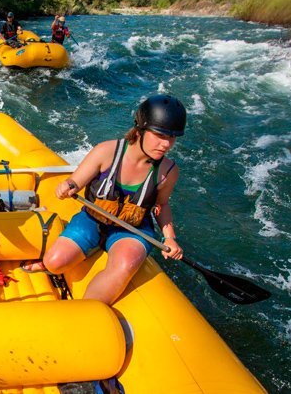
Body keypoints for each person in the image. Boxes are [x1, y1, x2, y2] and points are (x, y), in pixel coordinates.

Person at [22, 95, 186, 305]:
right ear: (140, 130)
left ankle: (85, 312)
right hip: (92, 219)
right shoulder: (106, 152)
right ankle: (82, 251)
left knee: (125, 265)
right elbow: (75, 181)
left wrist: (170, 237)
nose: (166, 144)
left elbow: (161, 205)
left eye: (172, 138)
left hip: (132, 228)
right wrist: (67, 187)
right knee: (54, 263)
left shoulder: (167, 171)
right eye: (159, 135)